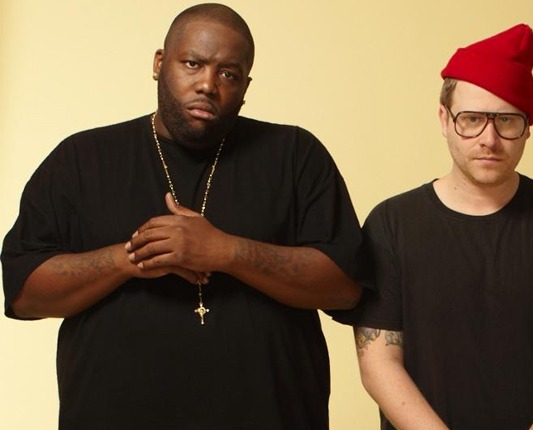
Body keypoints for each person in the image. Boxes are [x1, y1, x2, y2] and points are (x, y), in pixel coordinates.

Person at [1, 3, 364, 429]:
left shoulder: (296, 156)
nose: (208, 84)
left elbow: (345, 288)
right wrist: (132, 257)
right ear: (160, 63)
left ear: (246, 86)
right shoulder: (81, 159)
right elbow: (24, 291)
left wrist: (226, 251)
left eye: (229, 74)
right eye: (193, 64)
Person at [336, 24, 533, 430]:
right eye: (471, 119)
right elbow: (379, 363)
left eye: (506, 120)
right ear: (444, 118)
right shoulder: (390, 224)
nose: (489, 139)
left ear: (528, 125)